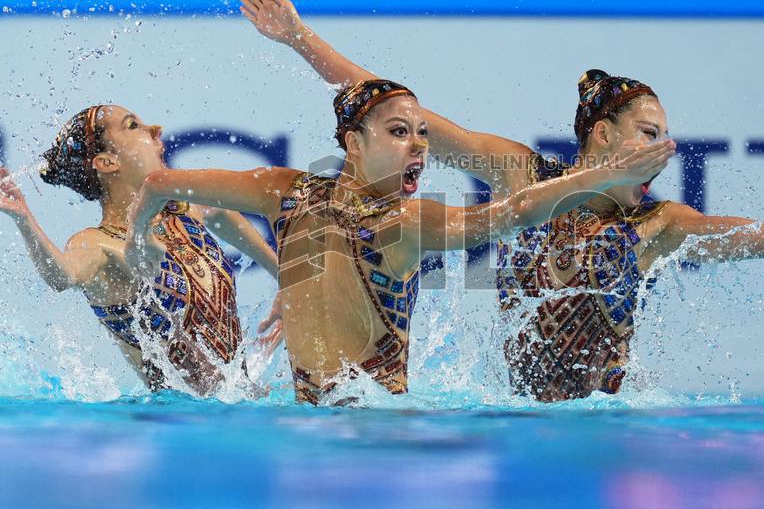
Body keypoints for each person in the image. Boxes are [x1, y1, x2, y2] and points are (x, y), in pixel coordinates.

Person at [234, 0, 764, 402]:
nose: (662, 147)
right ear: (601, 136)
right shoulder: (523, 175)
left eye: (665, 134)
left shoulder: (660, 223)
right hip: (515, 417)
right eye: (647, 131)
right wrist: (299, 38)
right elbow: (400, 112)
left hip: (604, 424)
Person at [128, 75, 675, 404]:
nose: (418, 147)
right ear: (353, 142)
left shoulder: (299, 196)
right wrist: (604, 175)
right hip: (363, 434)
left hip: (343, 430)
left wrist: (138, 250)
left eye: (422, 135)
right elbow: (517, 213)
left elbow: (155, 184)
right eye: (398, 132)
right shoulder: (358, 212)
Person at [0, 105, 281, 396]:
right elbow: (62, 274)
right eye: (132, 126)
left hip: (241, 403)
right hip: (179, 424)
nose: (155, 128)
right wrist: (24, 219)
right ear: (107, 162)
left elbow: (223, 213)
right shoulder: (99, 244)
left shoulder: (187, 208)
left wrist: (287, 283)